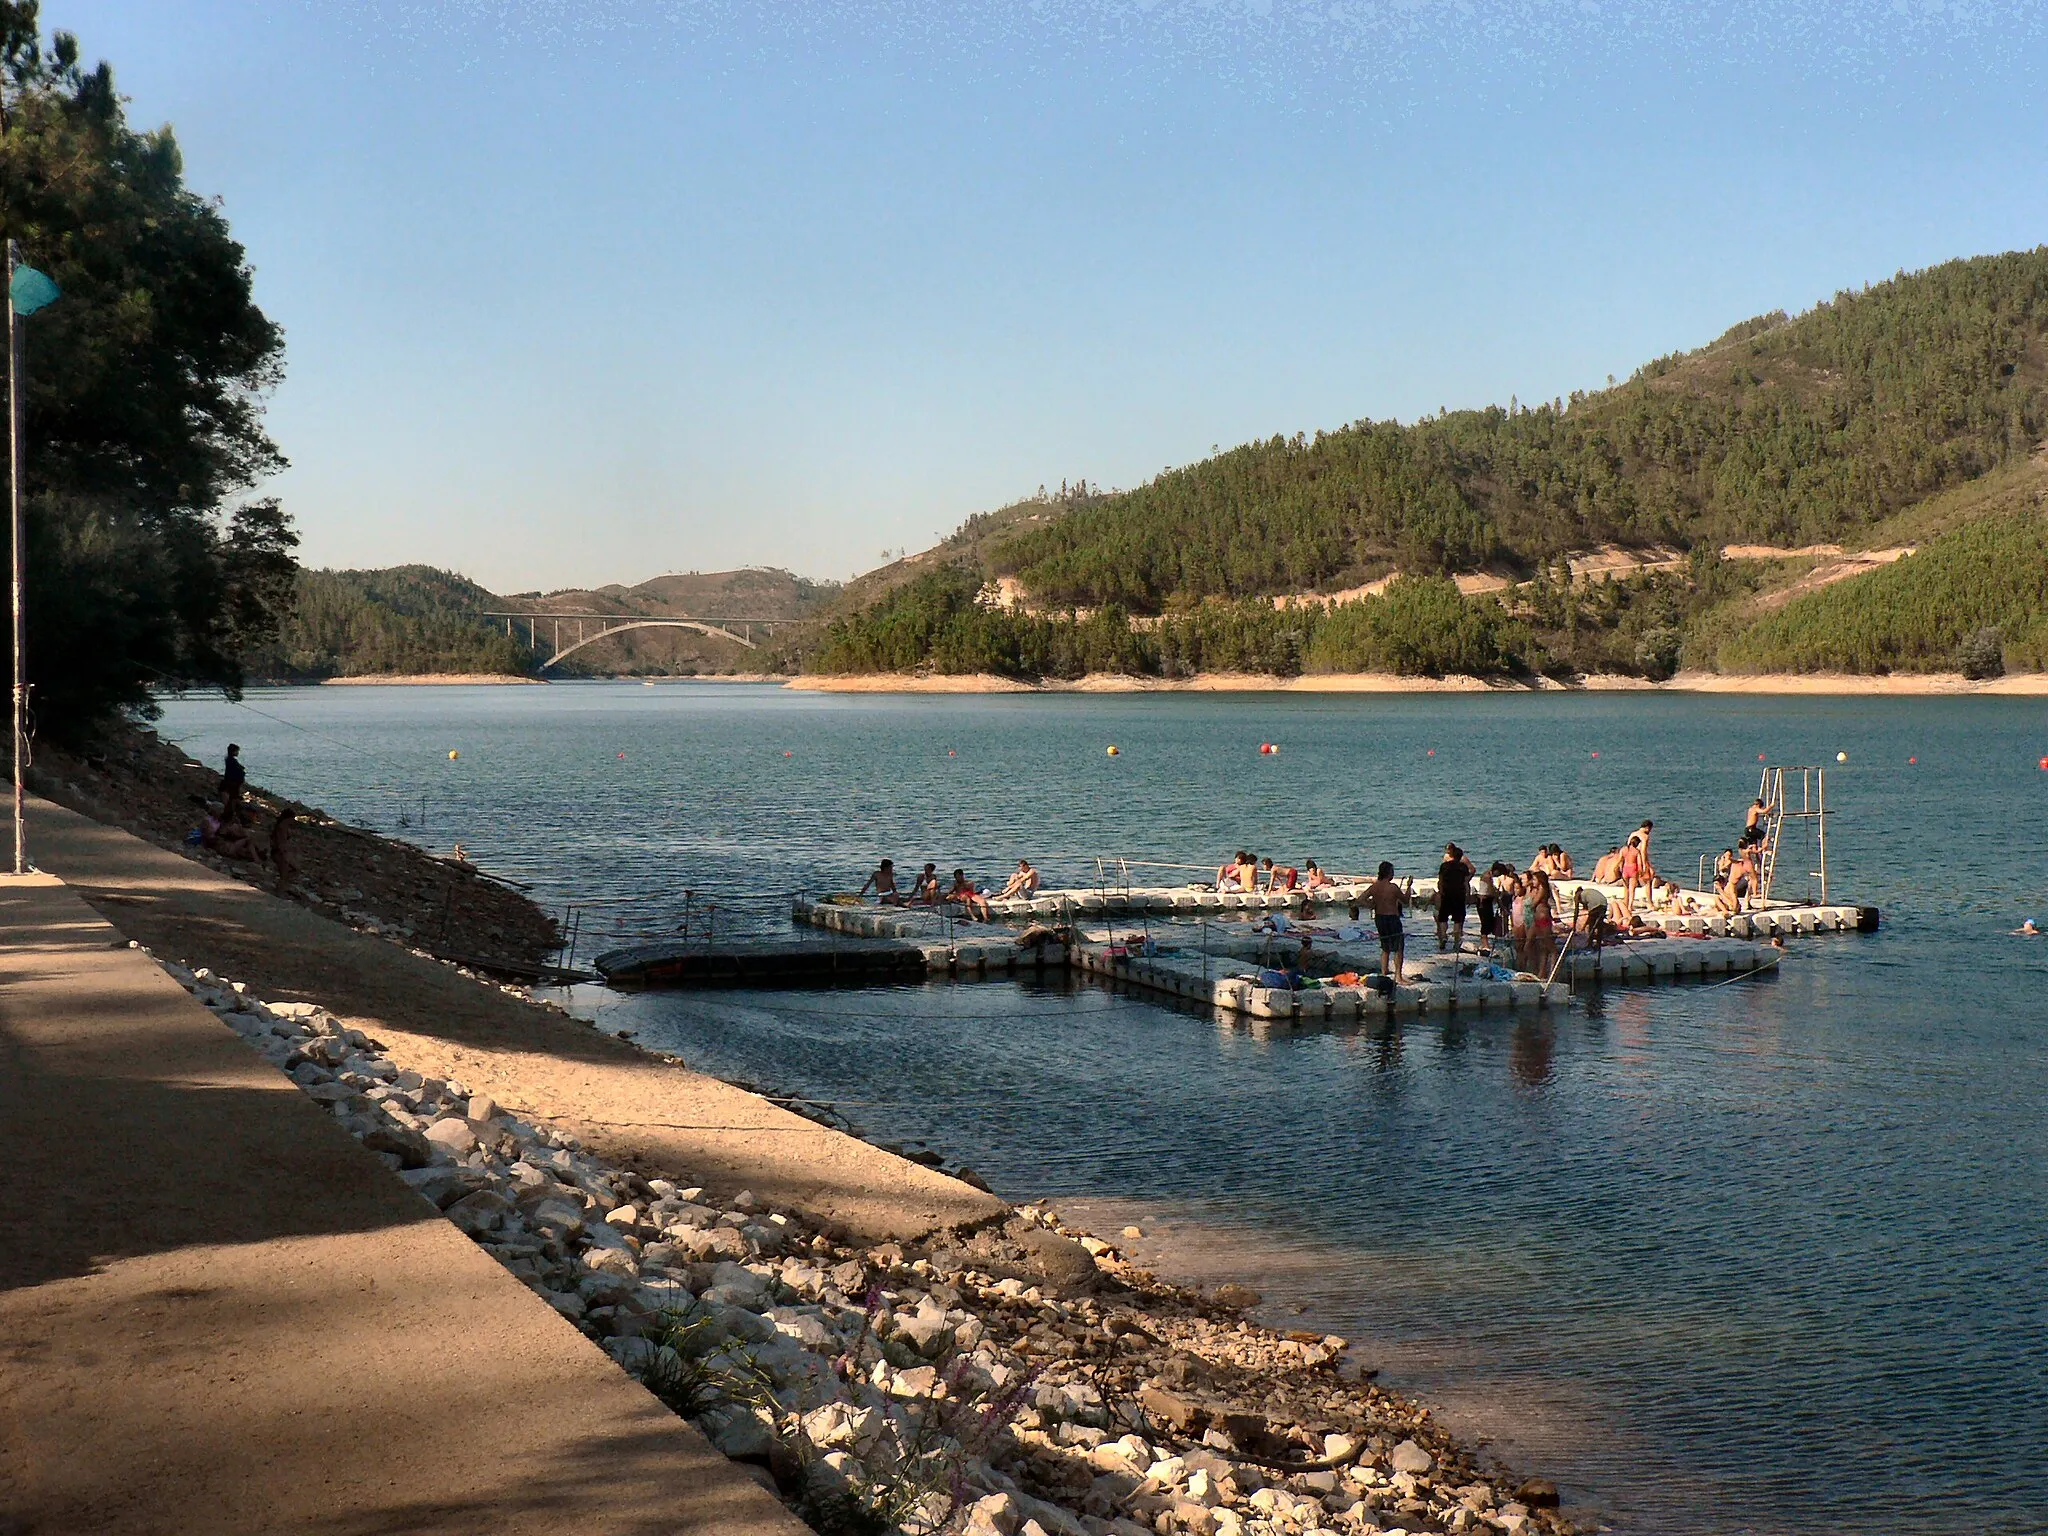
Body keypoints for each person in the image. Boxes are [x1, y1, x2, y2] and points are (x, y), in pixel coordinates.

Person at [1364, 861, 1408, 983]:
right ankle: (1398, 977)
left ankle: (1384, 973)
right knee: (1398, 947)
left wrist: (1372, 905)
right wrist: (1409, 886)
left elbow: (1360, 899)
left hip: (1379, 918)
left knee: (1385, 948)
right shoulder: (1392, 887)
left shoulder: (1375, 887)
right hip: (1392, 918)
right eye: (1392, 871)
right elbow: (1405, 900)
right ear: (1388, 873)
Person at [1435, 842, 1474, 953]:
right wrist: (1468, 895)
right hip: (1459, 895)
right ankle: (1456, 942)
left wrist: (1441, 892)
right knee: (1458, 920)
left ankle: (1443, 937)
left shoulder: (1444, 866)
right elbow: (1466, 882)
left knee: (1442, 918)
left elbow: (1440, 881)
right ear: (1460, 857)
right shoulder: (1463, 867)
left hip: (1446, 894)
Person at [270, 808, 297, 891]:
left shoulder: (282, 826)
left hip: (280, 851)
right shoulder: (282, 827)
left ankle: (281, 888)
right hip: (279, 852)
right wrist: (284, 854)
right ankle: (279, 890)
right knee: (284, 874)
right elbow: (281, 842)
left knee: (292, 870)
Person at [221, 743, 246, 813]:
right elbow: (234, 771)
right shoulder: (231, 760)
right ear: (233, 751)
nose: (238, 753)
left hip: (234, 782)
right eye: (237, 751)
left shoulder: (230, 760)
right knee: (233, 798)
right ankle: (231, 811)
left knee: (234, 797)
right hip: (233, 783)